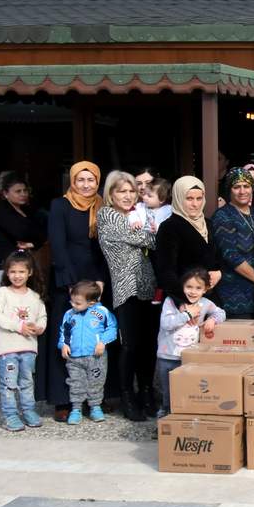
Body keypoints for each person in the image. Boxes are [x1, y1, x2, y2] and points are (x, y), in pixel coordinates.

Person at [40, 161, 106, 422]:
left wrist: (101, 280)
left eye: (91, 180)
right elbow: (57, 243)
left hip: (96, 280)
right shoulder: (61, 205)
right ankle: (62, 399)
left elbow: (105, 246)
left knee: (95, 339)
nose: (86, 185)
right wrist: (70, 283)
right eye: (81, 180)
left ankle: (95, 397)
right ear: (73, 181)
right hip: (67, 280)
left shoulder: (103, 206)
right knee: (65, 339)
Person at [97, 171, 158, 421]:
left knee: (148, 345)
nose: (128, 195)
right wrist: (150, 234)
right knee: (129, 345)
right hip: (125, 288)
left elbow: (154, 235)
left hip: (148, 286)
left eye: (132, 191)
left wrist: (150, 232)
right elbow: (149, 237)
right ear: (111, 194)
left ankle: (146, 392)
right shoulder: (107, 215)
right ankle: (126, 395)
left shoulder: (138, 214)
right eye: (122, 191)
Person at [154, 267, 226, 417]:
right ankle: (164, 420)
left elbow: (221, 312)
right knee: (167, 393)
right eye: (189, 287)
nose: (193, 291)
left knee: (187, 390)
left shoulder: (205, 303)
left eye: (198, 288)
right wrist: (187, 314)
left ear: (205, 289)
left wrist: (212, 319)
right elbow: (166, 323)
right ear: (182, 287)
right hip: (167, 357)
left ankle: (184, 419)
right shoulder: (171, 302)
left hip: (189, 358)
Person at [0, 251, 47, 431]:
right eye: (13, 271)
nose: (17, 276)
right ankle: (10, 415)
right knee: (9, 383)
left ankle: (29, 410)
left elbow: (42, 317)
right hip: (7, 349)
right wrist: (18, 327)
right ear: (7, 273)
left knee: (27, 381)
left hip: (29, 347)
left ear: (30, 273)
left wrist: (39, 327)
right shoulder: (3, 293)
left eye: (21, 272)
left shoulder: (35, 296)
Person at [58, 279, 117, 425]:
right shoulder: (69, 314)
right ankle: (76, 409)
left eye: (77, 303)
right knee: (76, 383)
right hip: (75, 357)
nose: (73, 305)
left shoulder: (102, 312)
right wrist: (63, 345)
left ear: (91, 302)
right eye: (72, 301)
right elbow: (63, 331)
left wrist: (102, 342)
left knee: (96, 382)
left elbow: (112, 328)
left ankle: (95, 407)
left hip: (95, 357)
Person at [154, 176, 221, 303]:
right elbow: (166, 272)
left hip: (209, 301)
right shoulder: (169, 227)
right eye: (189, 198)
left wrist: (219, 272)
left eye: (199, 198)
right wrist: (185, 302)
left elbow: (216, 258)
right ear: (178, 198)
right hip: (182, 303)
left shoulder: (208, 224)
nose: (195, 204)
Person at [210, 168, 254, 319]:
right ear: (229, 190)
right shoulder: (223, 216)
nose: (242, 191)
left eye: (246, 186)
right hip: (235, 295)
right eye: (236, 187)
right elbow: (230, 255)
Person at [0, 170, 47, 295]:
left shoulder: (28, 211)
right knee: (8, 309)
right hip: (4, 266)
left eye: (25, 191)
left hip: (25, 266)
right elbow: (21, 233)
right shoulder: (0, 212)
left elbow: (44, 232)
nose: (23, 194)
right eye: (18, 191)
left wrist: (32, 244)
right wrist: (34, 235)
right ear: (5, 193)